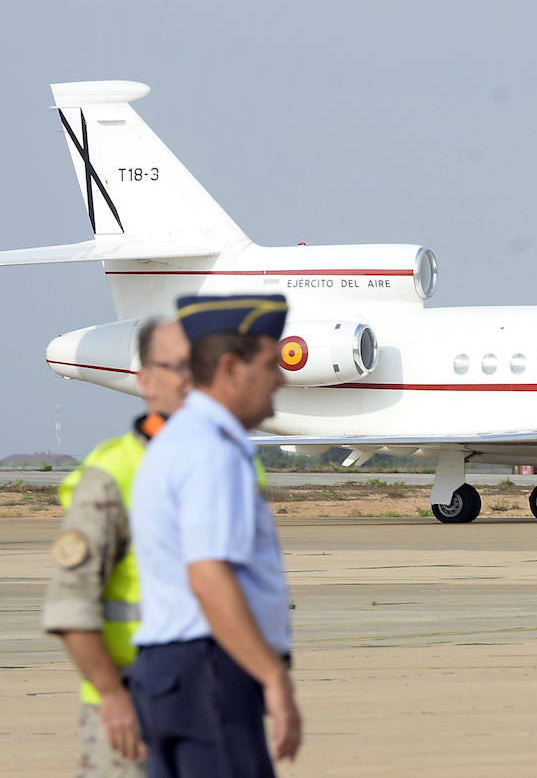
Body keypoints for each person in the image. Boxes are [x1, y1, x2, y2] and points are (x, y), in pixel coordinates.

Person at [128, 294, 300, 777]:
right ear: (229, 368)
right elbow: (208, 576)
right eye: (270, 364)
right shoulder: (211, 451)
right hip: (209, 673)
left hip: (175, 675)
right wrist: (272, 678)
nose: (282, 378)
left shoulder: (180, 440)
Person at [42, 318, 193, 777]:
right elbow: (70, 607)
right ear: (145, 380)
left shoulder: (237, 471)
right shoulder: (113, 476)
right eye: (176, 367)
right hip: (134, 709)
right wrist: (111, 695)